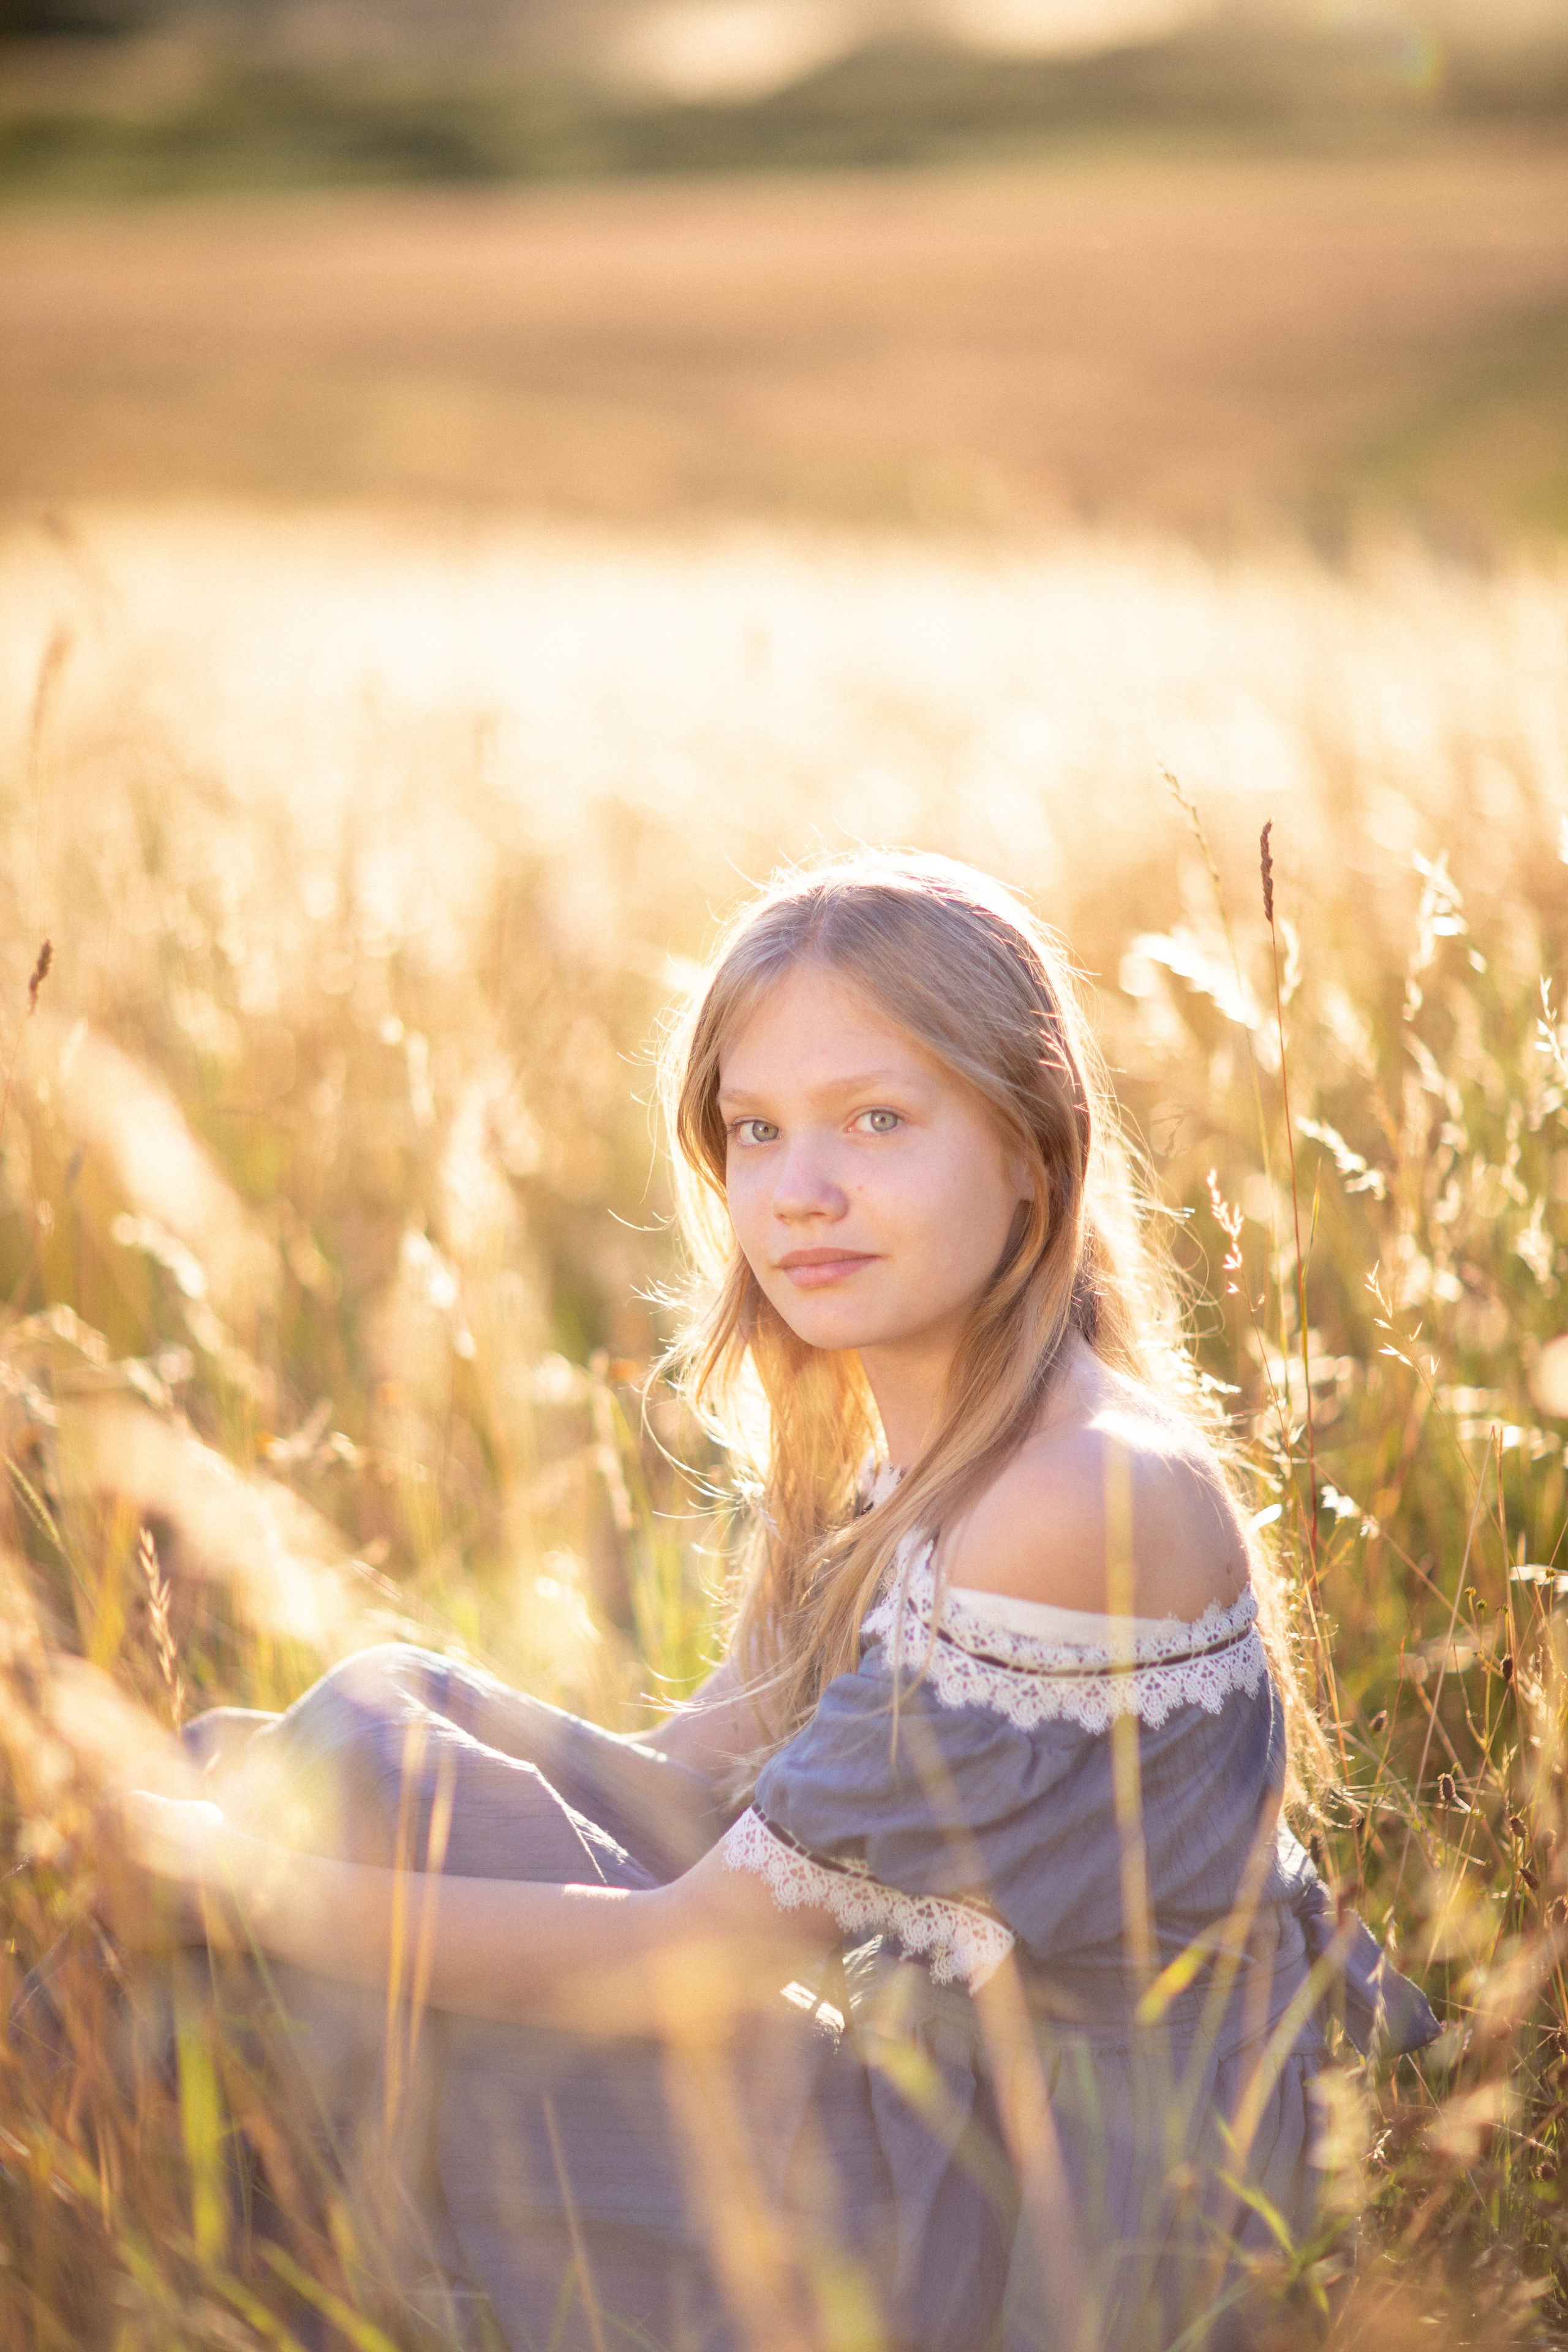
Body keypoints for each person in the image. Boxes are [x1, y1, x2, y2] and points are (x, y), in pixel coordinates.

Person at [105, 851, 1436, 2352]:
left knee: (281, 1849)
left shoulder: (1077, 1495)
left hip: (1037, 2229)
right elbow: (682, 1778)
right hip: (923, 2104)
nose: (799, 1193)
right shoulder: (906, 1454)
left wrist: (226, 1885)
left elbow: (700, 1948)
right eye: (756, 1130)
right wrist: (254, 1814)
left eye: (877, 1120)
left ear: (1031, 1148)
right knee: (352, 1733)